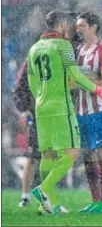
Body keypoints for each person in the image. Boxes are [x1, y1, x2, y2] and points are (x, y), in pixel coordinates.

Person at [27, 10, 102, 214]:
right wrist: (99, 90)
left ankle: (48, 205)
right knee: (71, 153)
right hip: (61, 108)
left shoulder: (34, 48)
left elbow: (32, 82)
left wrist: (43, 96)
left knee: (48, 154)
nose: (72, 28)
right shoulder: (63, 46)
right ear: (62, 24)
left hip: (41, 106)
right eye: (70, 24)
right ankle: (43, 189)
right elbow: (76, 75)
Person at [74, 12, 102, 213]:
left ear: (94, 26)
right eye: (77, 26)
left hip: (100, 110)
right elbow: (75, 78)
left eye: (81, 25)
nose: (78, 29)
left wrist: (86, 80)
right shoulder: (80, 50)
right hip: (82, 111)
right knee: (87, 156)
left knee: (100, 153)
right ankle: (95, 200)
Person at [13, 44, 42, 208]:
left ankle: (45, 195)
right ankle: (25, 196)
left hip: (49, 112)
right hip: (37, 112)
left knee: (48, 155)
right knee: (33, 156)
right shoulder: (31, 61)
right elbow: (18, 88)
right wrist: (24, 109)